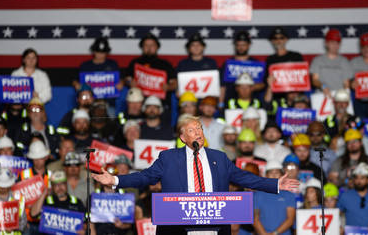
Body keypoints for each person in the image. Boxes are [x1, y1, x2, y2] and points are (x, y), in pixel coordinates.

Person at [92, 115, 299, 234]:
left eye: (199, 128)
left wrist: (275, 184)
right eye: (191, 130)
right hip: (179, 228)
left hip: (214, 226)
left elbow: (244, 177)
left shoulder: (219, 157)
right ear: (183, 138)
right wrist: (116, 180)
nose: (198, 131)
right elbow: (145, 177)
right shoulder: (169, 158)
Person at [125, 34, 177, 108]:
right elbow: (127, 79)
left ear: (157, 47)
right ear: (142, 47)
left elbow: (174, 83)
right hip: (139, 101)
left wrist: (168, 87)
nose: (149, 48)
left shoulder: (165, 64)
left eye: (152, 45)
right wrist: (130, 83)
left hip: (160, 102)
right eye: (146, 45)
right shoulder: (135, 63)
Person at [30, 170, 86, 235]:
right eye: (56, 185)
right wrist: (44, 193)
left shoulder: (77, 202)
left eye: (62, 184)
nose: (59, 187)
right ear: (52, 187)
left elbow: (85, 223)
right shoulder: (47, 202)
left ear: (66, 184)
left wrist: (84, 232)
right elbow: (33, 214)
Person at [253, 161, 296, 235]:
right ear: (266, 175)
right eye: (271, 172)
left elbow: (290, 220)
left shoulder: (289, 195)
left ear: (282, 175)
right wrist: (264, 234)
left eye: (277, 172)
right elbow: (254, 218)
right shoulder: (257, 195)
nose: (274, 175)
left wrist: (274, 233)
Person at [19, 140, 52, 233]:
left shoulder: (52, 176)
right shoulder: (23, 175)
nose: (37, 161)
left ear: (46, 157)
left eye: (40, 158)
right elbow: (16, 199)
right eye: (35, 158)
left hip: (46, 223)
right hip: (27, 223)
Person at [337, 163, 368, 230]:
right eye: (356, 178)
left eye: (362, 178)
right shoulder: (345, 196)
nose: (358, 181)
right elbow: (336, 215)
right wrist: (339, 227)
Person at [310, 29, 351, 94]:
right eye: (332, 42)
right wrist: (323, 86)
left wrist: (346, 96)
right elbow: (315, 80)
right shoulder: (317, 60)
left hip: (339, 96)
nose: (335, 45)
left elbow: (346, 84)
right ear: (326, 43)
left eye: (337, 43)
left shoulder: (344, 61)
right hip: (322, 95)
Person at [0, 167, 27, 234]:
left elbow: (23, 223)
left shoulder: (19, 198)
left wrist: (15, 228)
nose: (2, 187)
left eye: (5, 185)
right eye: (1, 184)